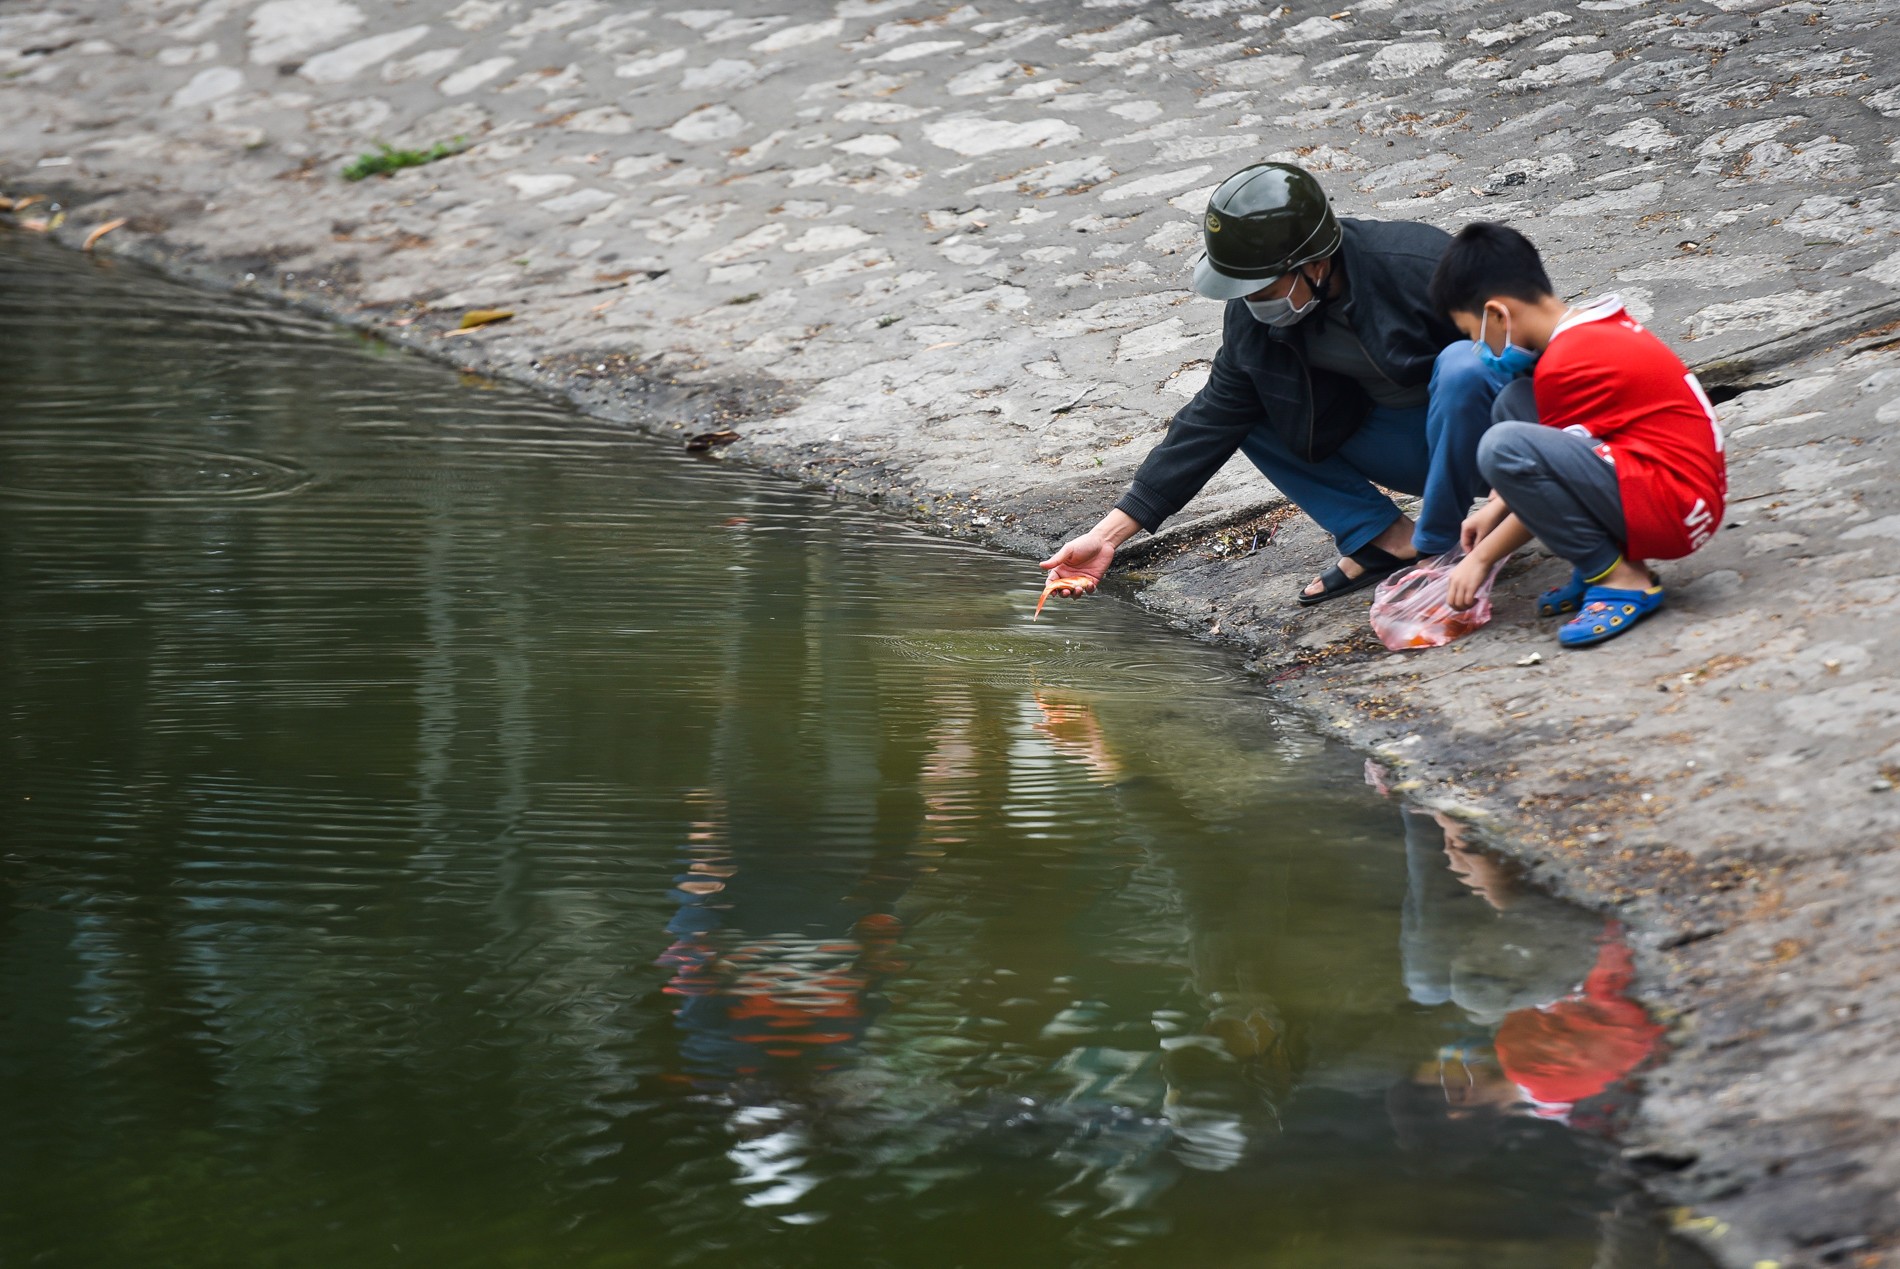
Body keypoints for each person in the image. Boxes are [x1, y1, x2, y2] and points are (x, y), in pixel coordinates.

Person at [1039, 161, 1514, 606]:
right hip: (1413, 449)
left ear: (1316, 264)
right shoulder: (1252, 318)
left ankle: (1481, 518)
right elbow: (1210, 420)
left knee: (1464, 365)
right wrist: (1104, 539)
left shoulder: (1418, 264)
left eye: (1263, 289)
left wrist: (1515, 494)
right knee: (1248, 408)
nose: (1252, 303)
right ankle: (1387, 541)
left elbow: (1533, 362)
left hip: (1501, 444)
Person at [1428, 223, 1728, 647]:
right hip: (1673, 488)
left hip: (1676, 511)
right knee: (1514, 402)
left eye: (1474, 335)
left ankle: (1622, 579)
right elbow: (1556, 461)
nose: (1480, 348)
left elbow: (1542, 475)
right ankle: (1611, 559)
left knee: (1502, 446)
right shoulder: (1587, 330)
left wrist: (1481, 557)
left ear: (1497, 313)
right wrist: (1492, 510)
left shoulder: (1567, 362)